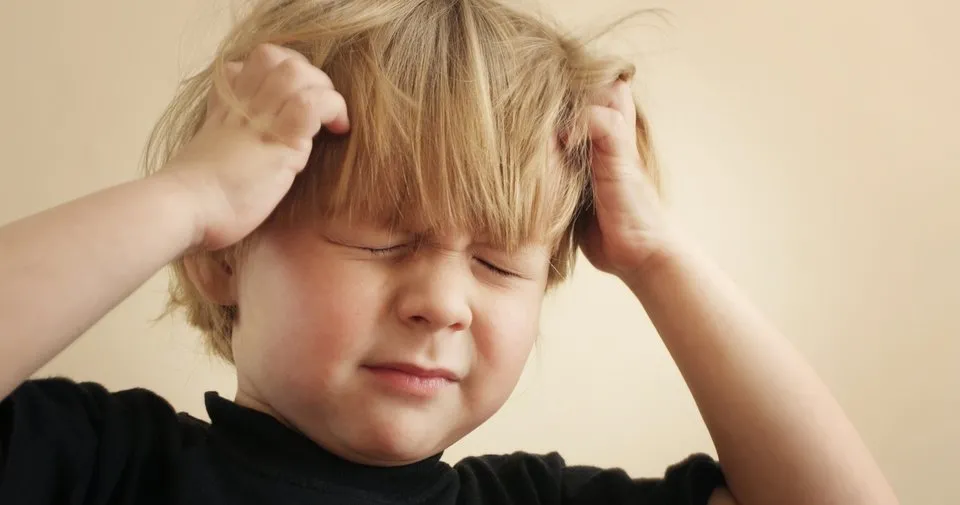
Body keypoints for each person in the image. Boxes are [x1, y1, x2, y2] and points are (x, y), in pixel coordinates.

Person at [0, 1, 899, 504]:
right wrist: (190, 195)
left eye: (502, 264)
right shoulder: (101, 465)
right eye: (383, 238)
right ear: (225, 255)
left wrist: (656, 255)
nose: (444, 302)